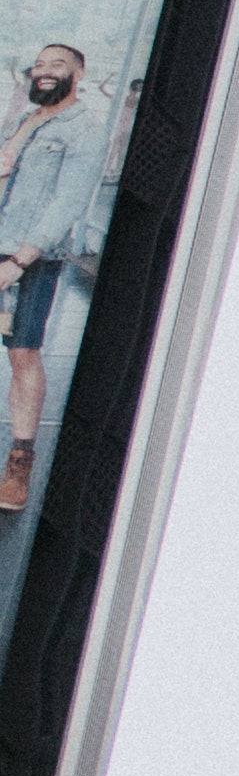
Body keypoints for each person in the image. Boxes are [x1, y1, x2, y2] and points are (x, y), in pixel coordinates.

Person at [0, 35, 109, 523]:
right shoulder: (29, 117)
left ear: (78, 74)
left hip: (28, 256)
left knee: (22, 352)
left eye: (57, 64)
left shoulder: (84, 128)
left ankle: (20, 460)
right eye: (39, 63)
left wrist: (19, 261)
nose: (45, 70)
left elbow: (68, 201)